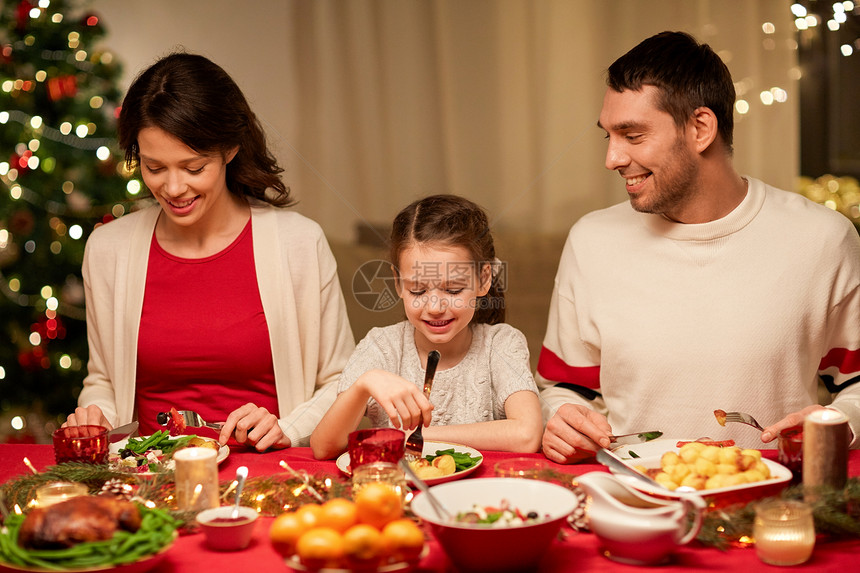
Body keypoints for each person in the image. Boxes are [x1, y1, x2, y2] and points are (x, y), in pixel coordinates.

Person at [538, 31, 860, 463]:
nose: (612, 158)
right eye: (608, 136)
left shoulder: (824, 238)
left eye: (632, 136)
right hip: (635, 502)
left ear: (700, 128)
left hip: (771, 509)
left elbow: (855, 385)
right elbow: (564, 388)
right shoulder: (590, 240)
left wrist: (837, 424)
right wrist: (562, 417)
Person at [63, 52, 355, 451]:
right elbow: (104, 382)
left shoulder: (299, 243)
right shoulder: (107, 250)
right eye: (154, 167)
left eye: (194, 167)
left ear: (230, 148)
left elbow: (343, 380)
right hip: (148, 475)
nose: (173, 187)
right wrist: (96, 416)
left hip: (266, 471)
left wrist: (287, 427)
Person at [310, 195, 543, 459]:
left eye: (453, 289)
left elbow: (527, 435)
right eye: (418, 290)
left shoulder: (501, 343)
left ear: (483, 279)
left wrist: (415, 436)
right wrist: (364, 384)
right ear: (398, 284)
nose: (434, 307)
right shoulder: (382, 347)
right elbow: (323, 447)